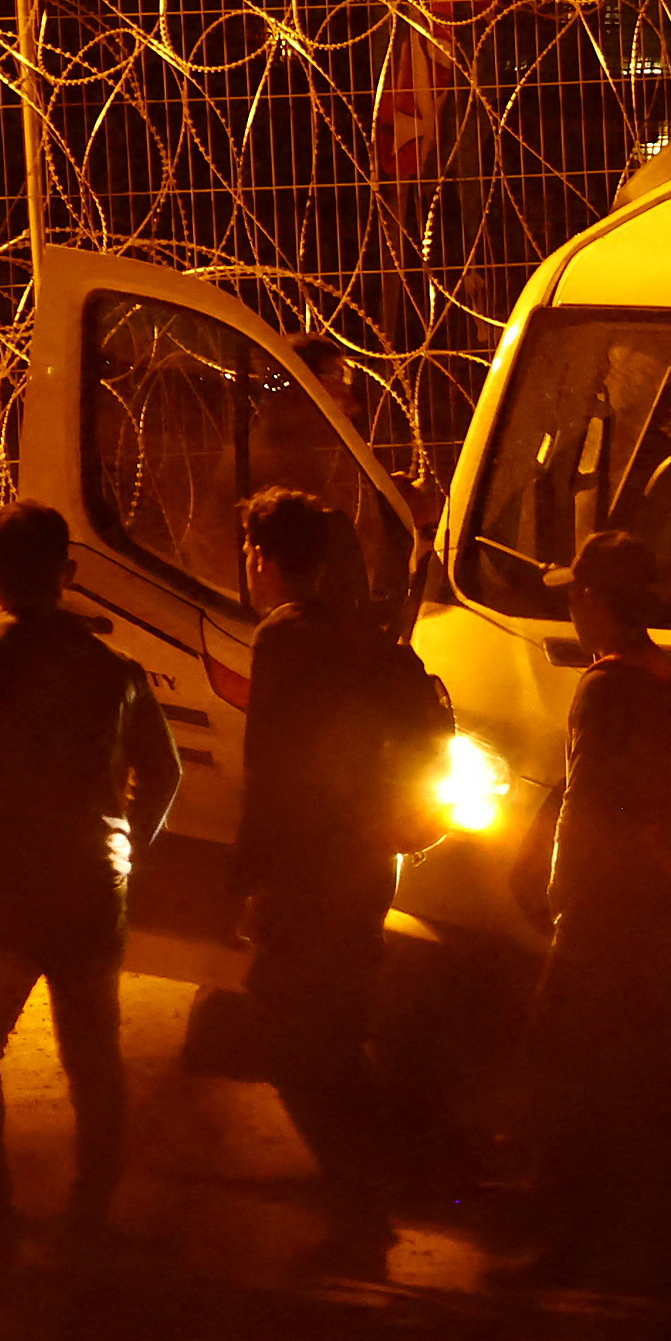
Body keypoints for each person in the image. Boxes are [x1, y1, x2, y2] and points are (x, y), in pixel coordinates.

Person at [0, 502, 178, 1236]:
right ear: (70, 573)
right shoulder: (113, 665)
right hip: (92, 876)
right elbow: (165, 772)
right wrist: (132, 849)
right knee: (93, 1054)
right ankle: (90, 1207)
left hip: (10, 880)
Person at [231, 485, 450, 1270]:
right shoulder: (372, 634)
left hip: (308, 866)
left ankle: (366, 1196)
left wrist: (247, 879)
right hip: (368, 860)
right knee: (336, 1025)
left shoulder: (285, 637)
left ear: (264, 561)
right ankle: (394, 1176)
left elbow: (273, 770)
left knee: (291, 1033)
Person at [521, 528, 671, 1289]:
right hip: (663, 905)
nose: (569, 608)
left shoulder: (605, 686)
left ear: (595, 600)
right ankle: (657, 1253)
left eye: (573, 595)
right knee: (643, 1079)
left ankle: (568, 1244)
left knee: (561, 1070)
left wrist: (562, 896)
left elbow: (588, 806)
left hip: (605, 910)